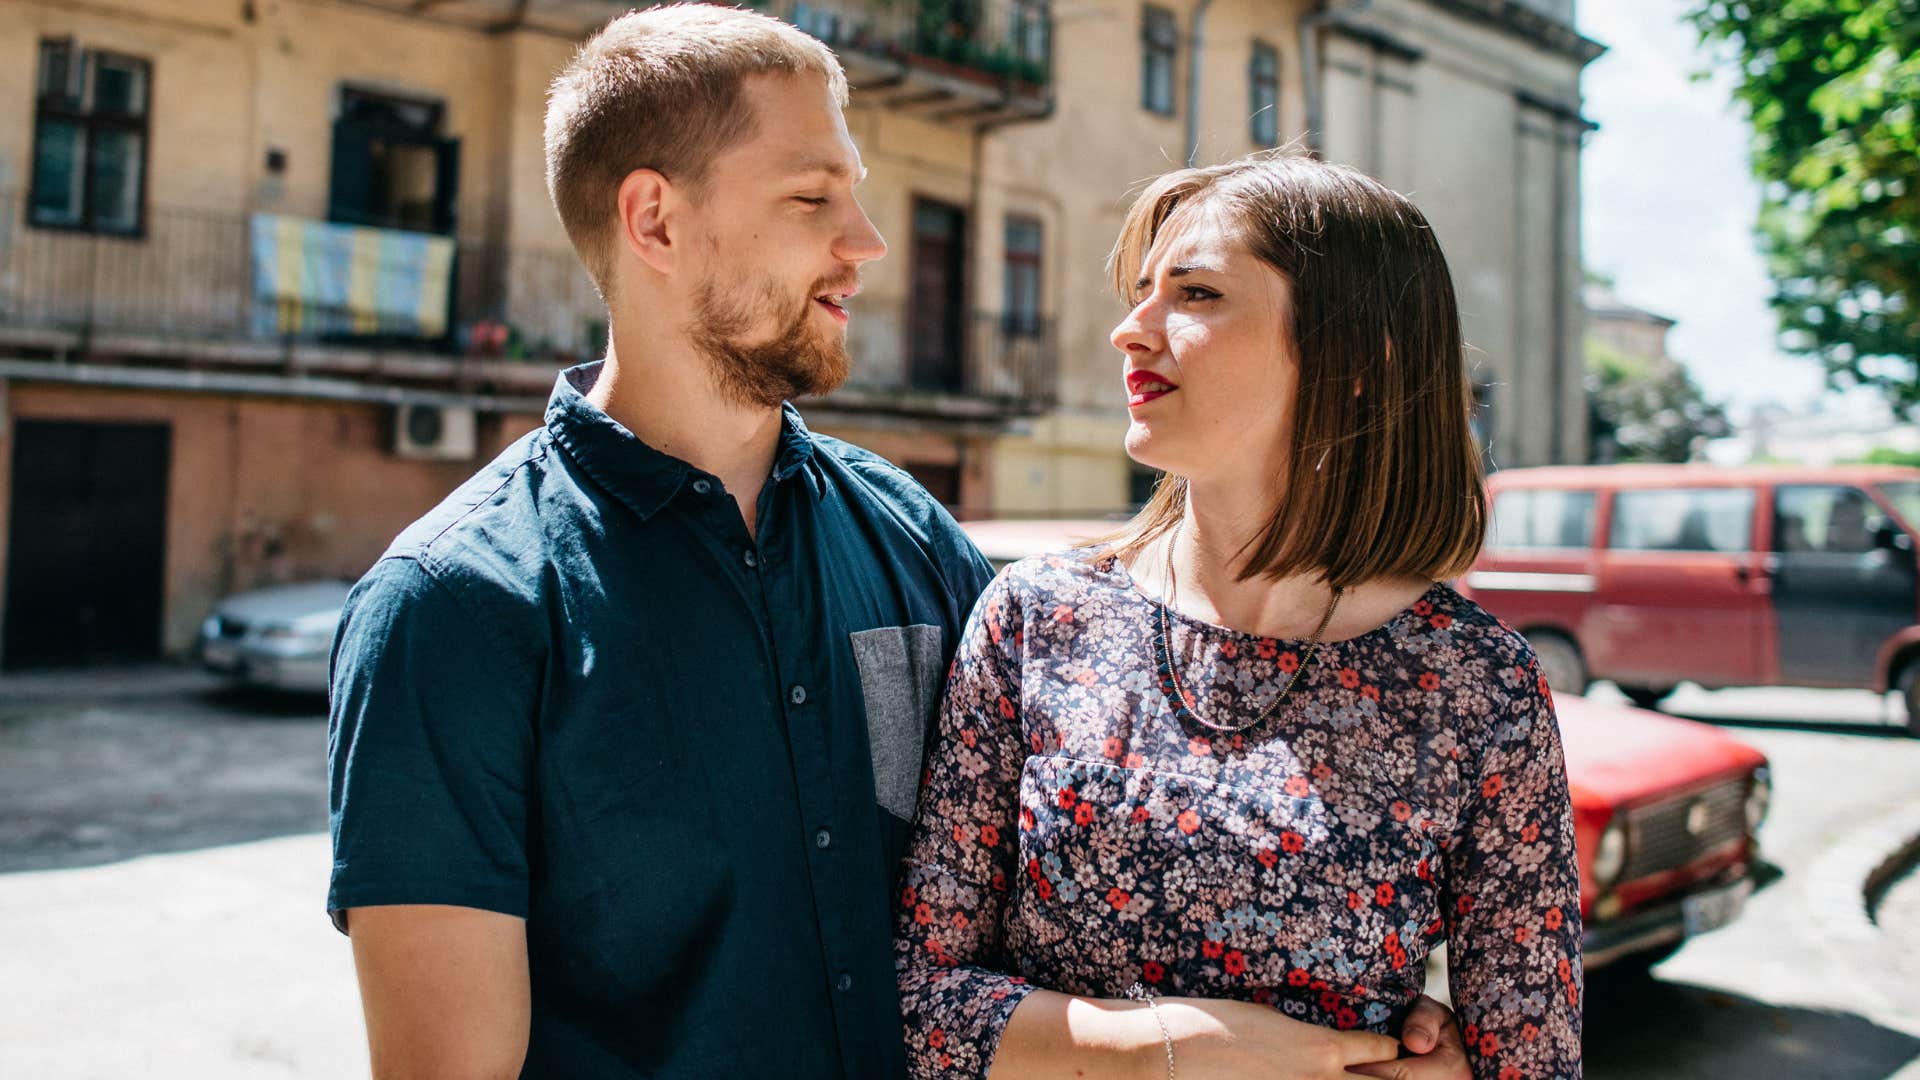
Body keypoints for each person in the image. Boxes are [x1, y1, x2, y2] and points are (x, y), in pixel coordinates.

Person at [328, 5, 1474, 1076]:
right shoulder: (450, 610)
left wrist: (1343, 999)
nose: (867, 243)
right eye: (812, 198)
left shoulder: (913, 536)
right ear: (655, 220)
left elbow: (1079, 881)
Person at [895, 153, 1583, 1080]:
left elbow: (1535, 1059)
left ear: (1355, 358)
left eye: (1197, 294)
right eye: (1142, 292)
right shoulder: (1038, 617)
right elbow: (916, 995)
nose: (1130, 332)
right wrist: (1151, 1053)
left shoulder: (1478, 685)